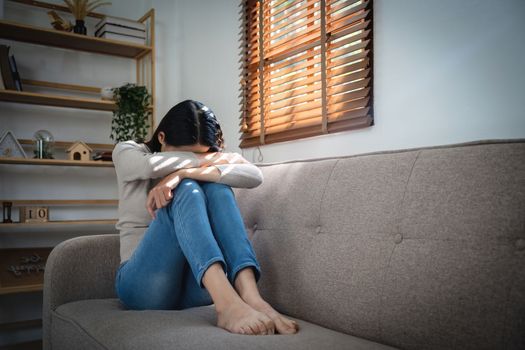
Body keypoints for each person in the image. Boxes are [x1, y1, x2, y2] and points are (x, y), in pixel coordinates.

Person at [112, 99, 299, 336]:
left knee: (217, 187)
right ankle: (226, 305)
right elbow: (146, 167)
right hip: (142, 285)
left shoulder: (195, 164)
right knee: (188, 188)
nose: (194, 158)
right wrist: (201, 165)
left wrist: (181, 173)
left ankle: (251, 296)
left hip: (196, 287)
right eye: (185, 154)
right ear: (161, 138)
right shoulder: (128, 151)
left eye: (202, 153)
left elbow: (254, 175)